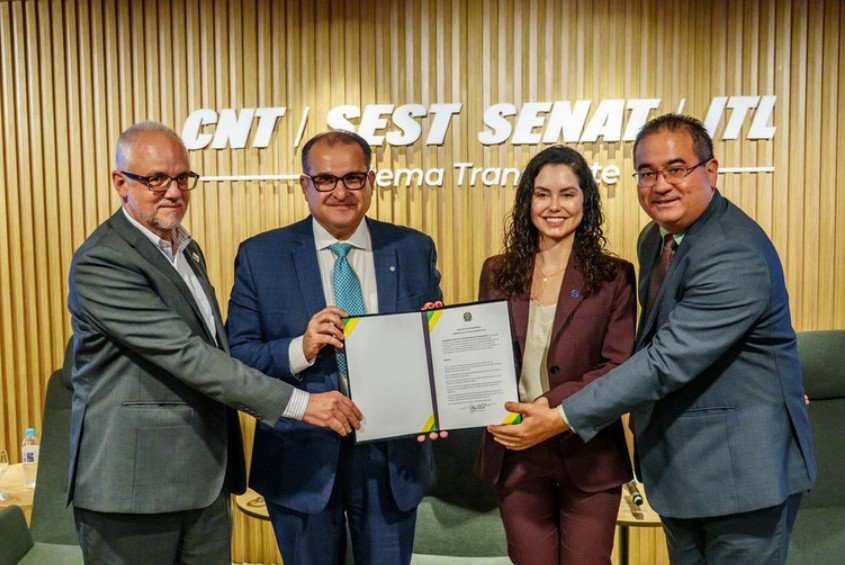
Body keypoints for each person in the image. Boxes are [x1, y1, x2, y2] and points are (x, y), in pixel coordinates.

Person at [489, 114, 817, 564]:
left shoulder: (732, 250)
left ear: (711, 170)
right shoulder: (658, 239)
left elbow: (664, 360)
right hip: (681, 469)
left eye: (676, 169)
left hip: (742, 474)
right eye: (647, 173)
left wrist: (563, 414)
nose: (660, 185)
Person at [67, 121, 362, 565]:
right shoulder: (104, 260)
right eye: (156, 179)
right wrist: (301, 404)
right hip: (134, 491)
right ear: (120, 183)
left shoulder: (184, 248)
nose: (173, 191)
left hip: (202, 480)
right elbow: (189, 356)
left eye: (182, 177)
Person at [226, 130, 443, 564]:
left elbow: (431, 349)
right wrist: (301, 349)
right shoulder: (260, 256)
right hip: (300, 458)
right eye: (325, 179)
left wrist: (437, 387)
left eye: (353, 178)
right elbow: (238, 358)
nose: (340, 192)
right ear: (304, 185)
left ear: (371, 181)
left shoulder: (413, 248)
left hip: (390, 458)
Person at [479, 146, 636, 564]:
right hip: (516, 451)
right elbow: (484, 354)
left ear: (586, 201)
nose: (554, 206)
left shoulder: (614, 275)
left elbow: (618, 366)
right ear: (527, 201)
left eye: (567, 194)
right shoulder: (497, 271)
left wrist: (550, 407)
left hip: (589, 451)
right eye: (542, 194)